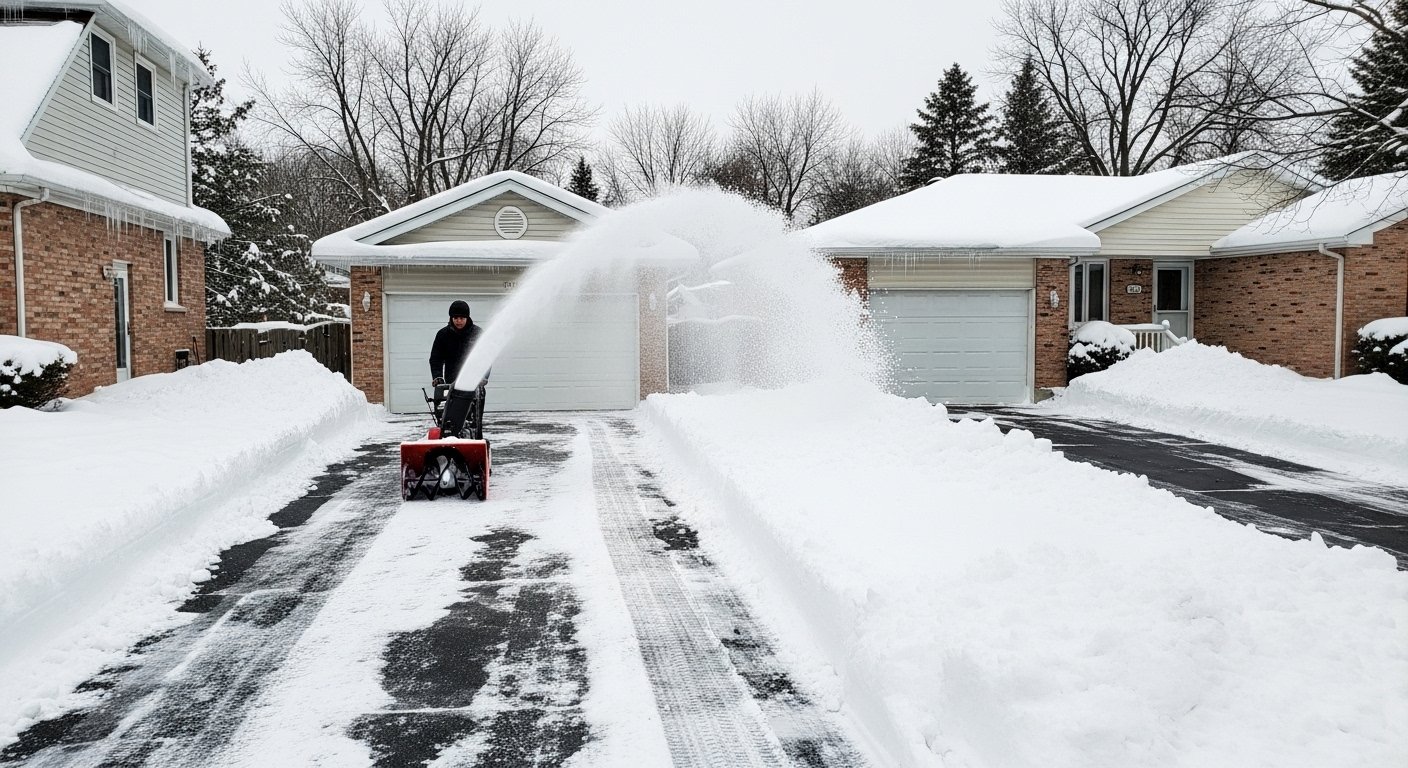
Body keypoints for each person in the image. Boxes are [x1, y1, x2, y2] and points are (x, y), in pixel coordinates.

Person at [429, 300, 487, 436]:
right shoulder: (443, 335)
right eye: (455, 318)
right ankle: (448, 443)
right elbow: (435, 359)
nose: (459, 321)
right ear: (451, 318)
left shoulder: (477, 334)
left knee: (474, 421)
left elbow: (486, 358)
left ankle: (476, 441)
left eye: (462, 318)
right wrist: (437, 376)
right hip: (451, 385)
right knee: (448, 421)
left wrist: (483, 377)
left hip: (474, 385)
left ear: (467, 318)